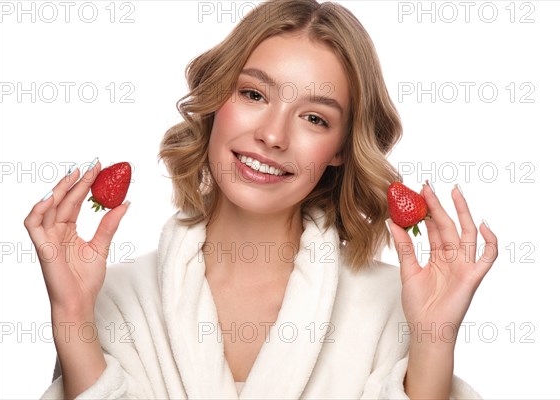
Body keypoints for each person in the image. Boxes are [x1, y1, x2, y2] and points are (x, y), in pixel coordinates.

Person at [25, 0, 498, 398]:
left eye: (314, 119)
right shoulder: (115, 298)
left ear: (339, 150)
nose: (272, 135)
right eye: (253, 94)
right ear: (215, 100)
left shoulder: (392, 308)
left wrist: (434, 338)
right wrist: (71, 317)